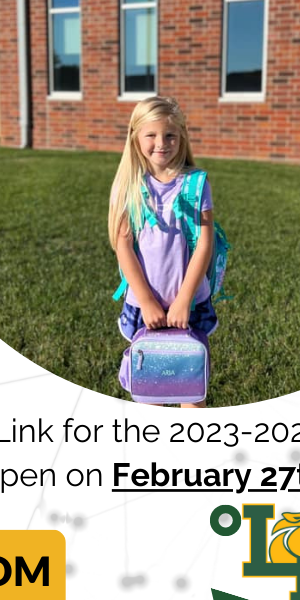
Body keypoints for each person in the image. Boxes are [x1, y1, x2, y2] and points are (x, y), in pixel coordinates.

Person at [107, 96, 215, 408]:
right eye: (151, 135)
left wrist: (184, 300)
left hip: (189, 305)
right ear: (135, 137)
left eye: (170, 135)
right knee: (151, 390)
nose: (161, 143)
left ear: (181, 136)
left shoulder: (195, 184)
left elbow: (204, 243)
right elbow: (123, 246)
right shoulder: (128, 186)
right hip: (145, 308)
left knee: (190, 391)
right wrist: (146, 301)